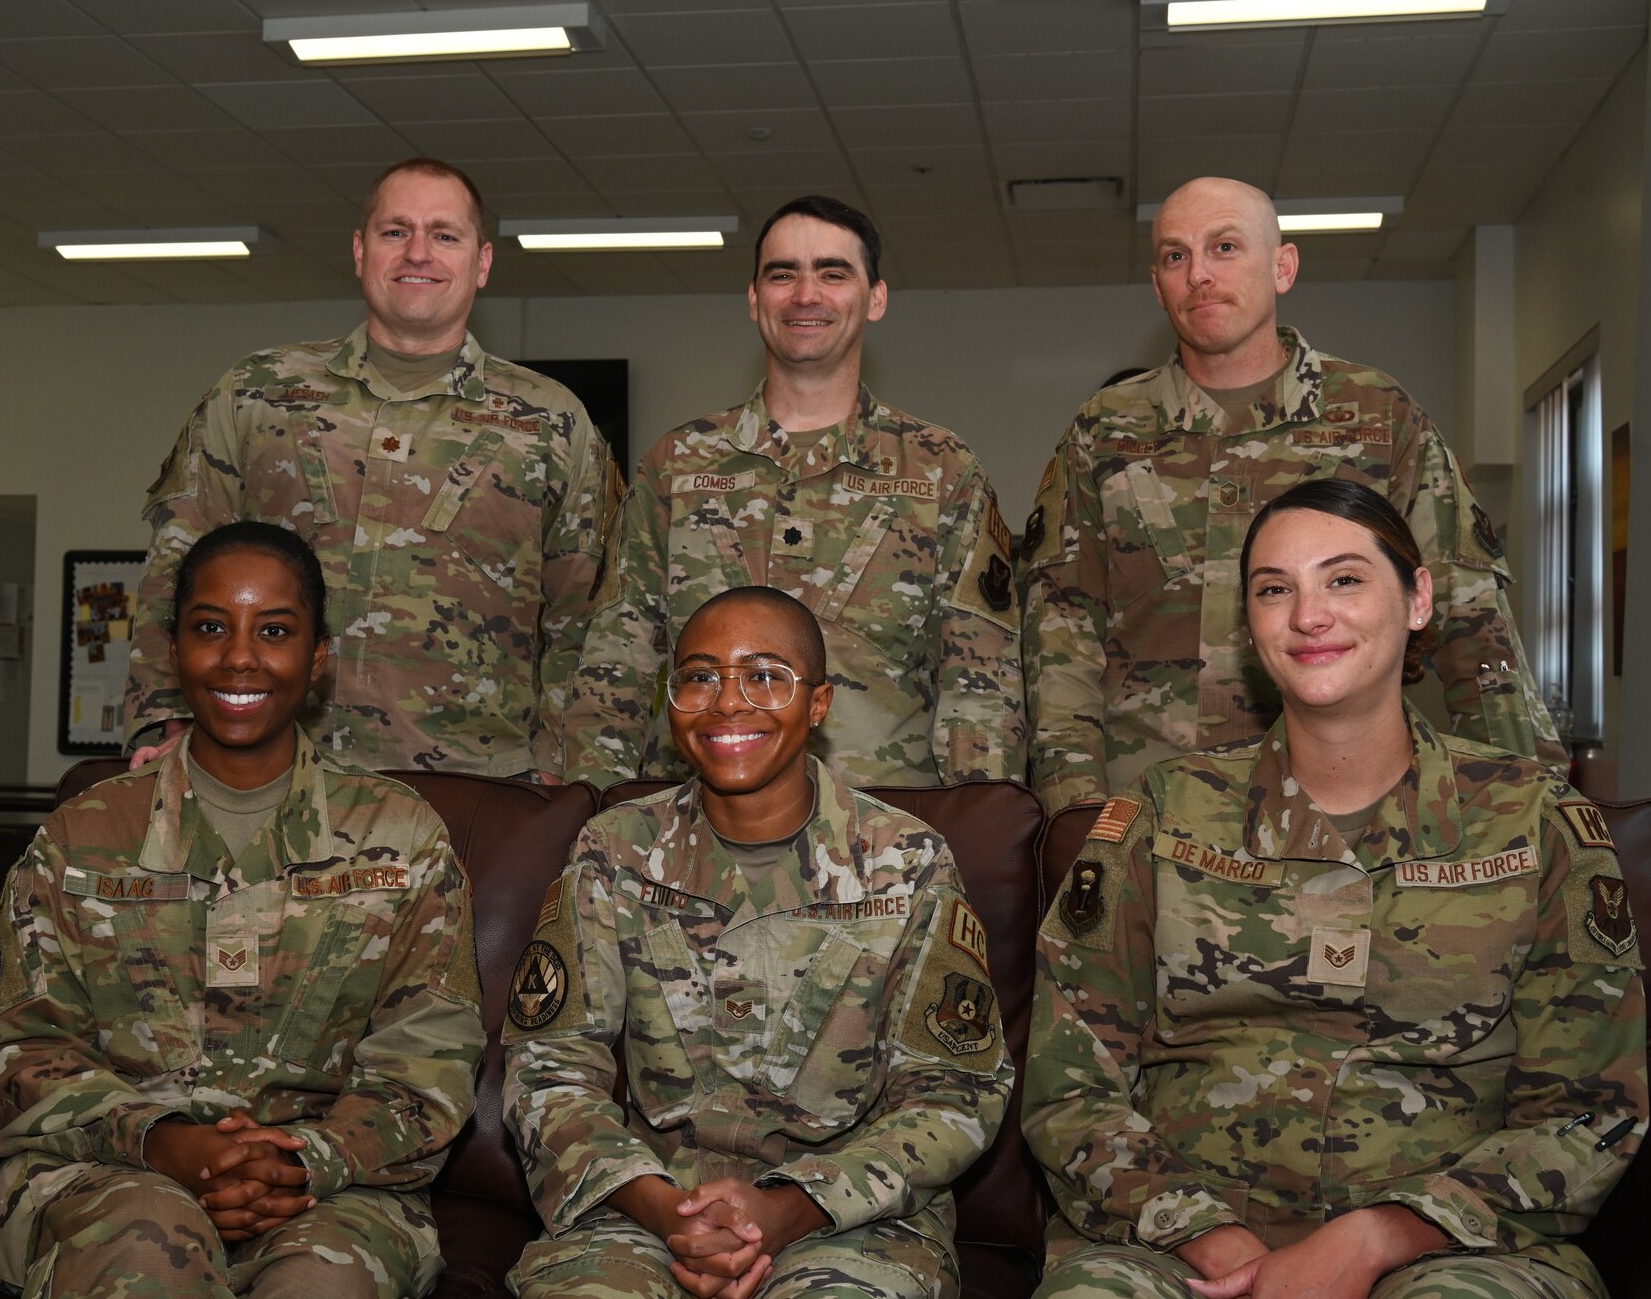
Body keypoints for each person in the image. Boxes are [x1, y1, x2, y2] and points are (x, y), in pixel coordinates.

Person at [1022, 478, 1646, 1299]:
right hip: (1173, 1245)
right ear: (1250, 625)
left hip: (1459, 1245)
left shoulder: (1537, 823)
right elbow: (1070, 1089)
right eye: (1274, 589)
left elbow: (1588, 1108)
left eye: (1344, 579)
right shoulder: (1159, 814)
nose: (1309, 615)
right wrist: (1214, 1239)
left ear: (1418, 598)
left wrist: (1384, 1233)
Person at [0, 521, 485, 1298]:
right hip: (106, 1178)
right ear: (175, 649)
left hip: (331, 1190)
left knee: (323, 1281)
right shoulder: (83, 834)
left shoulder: (401, 838)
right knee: (150, 1251)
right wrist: (166, 1144)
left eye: (274, 631)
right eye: (210, 627)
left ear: (318, 659)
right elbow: (21, 1052)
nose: (240, 656)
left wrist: (302, 1158)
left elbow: (430, 1062)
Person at [504, 586, 1012, 1299]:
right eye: (699, 676)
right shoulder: (616, 849)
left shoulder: (908, 861)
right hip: (645, 1208)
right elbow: (549, 1069)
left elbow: (955, 1092)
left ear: (820, 703)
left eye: (766, 675)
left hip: (850, 1222)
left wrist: (789, 1208)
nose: (727, 702)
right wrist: (668, 1210)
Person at [1019, 176, 1565, 816]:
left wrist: (1531, 805)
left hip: (1350, 805)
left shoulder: (1377, 417)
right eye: (1175, 256)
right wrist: (1075, 812)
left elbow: (1470, 621)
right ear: (1157, 283)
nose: (1198, 274)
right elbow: (1060, 639)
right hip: (1153, 809)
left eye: (1224, 248)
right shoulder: (1104, 431)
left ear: (1283, 266)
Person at [123, 156, 620, 779]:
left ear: (482, 262)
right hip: (271, 775)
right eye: (395, 232)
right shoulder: (257, 394)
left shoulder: (552, 421)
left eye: (444, 235)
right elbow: (177, 565)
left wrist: (571, 772)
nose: (418, 253)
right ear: (361, 251)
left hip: (475, 789)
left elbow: (589, 618)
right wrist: (166, 713)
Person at [561, 195, 1024, 791]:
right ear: (755, 299)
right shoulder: (676, 465)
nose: (806, 294)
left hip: (885, 841)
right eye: (783, 274)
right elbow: (614, 665)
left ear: (876, 298)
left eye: (833, 273)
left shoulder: (941, 471)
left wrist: (978, 827)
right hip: (692, 835)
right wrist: (593, 811)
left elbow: (980, 682)